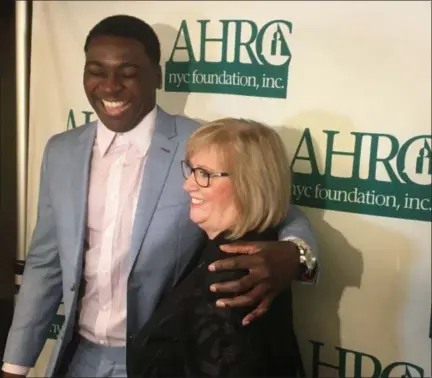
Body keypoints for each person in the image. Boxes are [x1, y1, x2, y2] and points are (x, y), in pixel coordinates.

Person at [2, 15, 318, 378]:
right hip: (79, 356)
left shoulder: (200, 145)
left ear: (158, 75)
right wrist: (15, 364)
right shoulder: (61, 151)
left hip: (162, 360)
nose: (110, 86)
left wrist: (296, 255)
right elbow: (45, 265)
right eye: (96, 70)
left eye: (128, 72)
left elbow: (273, 207)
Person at [129, 118, 302, 377]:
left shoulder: (235, 278)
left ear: (249, 183)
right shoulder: (231, 250)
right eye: (192, 170)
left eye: (205, 174)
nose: (188, 185)